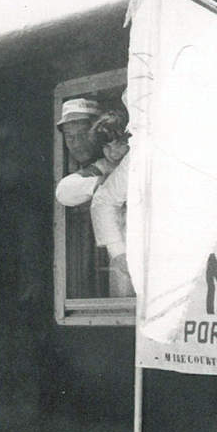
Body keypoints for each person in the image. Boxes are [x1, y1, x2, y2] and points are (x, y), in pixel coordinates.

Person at [88, 109, 133, 296]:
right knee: (124, 301)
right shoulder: (104, 167)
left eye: (120, 144)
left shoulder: (135, 158)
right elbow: (102, 201)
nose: (113, 152)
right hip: (125, 251)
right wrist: (117, 250)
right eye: (107, 146)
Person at [55, 97, 117, 207]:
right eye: (69, 136)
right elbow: (63, 191)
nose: (77, 143)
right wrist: (103, 183)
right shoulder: (97, 167)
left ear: (101, 131)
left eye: (83, 134)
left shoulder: (114, 161)